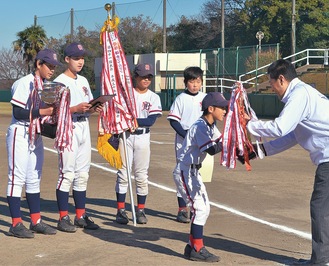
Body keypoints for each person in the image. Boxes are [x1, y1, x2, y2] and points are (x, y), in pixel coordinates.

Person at [246, 59, 329, 265]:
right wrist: (260, 150)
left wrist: (252, 126)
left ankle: (320, 261)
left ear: (281, 79)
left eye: (271, 82)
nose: (272, 88)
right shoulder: (303, 94)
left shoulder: (299, 95)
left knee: (320, 208)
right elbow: (292, 136)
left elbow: (280, 128)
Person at [6, 48, 61, 238]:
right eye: (49, 65)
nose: (52, 69)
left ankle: (36, 221)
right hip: (20, 132)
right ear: (39, 64)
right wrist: (42, 113)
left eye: (54, 66)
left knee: (34, 178)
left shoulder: (48, 86)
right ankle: (15, 224)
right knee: (17, 177)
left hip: (35, 135)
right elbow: (18, 113)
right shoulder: (24, 83)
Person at [173, 92, 228, 262]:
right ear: (210, 109)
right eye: (222, 107)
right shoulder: (200, 126)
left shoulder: (210, 125)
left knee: (204, 208)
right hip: (185, 171)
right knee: (200, 209)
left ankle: (192, 246)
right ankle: (197, 248)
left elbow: (221, 140)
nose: (225, 111)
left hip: (193, 171)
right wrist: (230, 140)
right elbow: (211, 149)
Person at [54, 42, 102, 233]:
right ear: (67, 59)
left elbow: (87, 105)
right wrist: (74, 109)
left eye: (82, 58)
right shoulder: (58, 81)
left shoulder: (82, 81)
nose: (80, 61)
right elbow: (52, 112)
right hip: (68, 128)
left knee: (83, 174)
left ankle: (80, 215)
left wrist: (94, 108)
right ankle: (63, 217)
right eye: (76, 58)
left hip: (83, 126)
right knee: (67, 173)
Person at [115, 63, 162, 225]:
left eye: (149, 76)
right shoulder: (125, 95)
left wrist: (133, 120)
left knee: (141, 176)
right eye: (143, 76)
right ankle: (121, 210)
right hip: (125, 136)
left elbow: (150, 120)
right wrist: (125, 122)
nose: (146, 79)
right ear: (135, 77)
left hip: (142, 138)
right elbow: (116, 115)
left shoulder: (153, 97)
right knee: (123, 174)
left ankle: (140, 210)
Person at [167, 66, 206, 223]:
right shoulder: (181, 99)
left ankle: (197, 206)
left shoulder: (205, 98)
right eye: (191, 81)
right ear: (185, 82)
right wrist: (187, 135)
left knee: (197, 173)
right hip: (183, 143)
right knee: (182, 173)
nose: (195, 85)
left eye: (198, 81)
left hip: (202, 143)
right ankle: (182, 209)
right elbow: (173, 120)